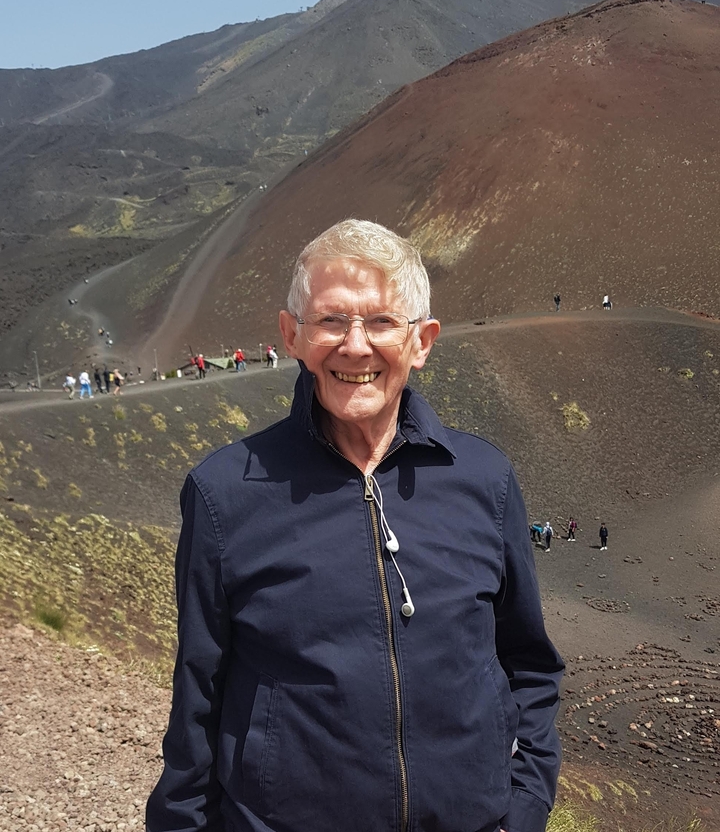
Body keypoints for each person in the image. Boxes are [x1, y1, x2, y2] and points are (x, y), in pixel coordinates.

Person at [147, 219, 564, 832]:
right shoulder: (225, 493)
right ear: (293, 335)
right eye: (331, 320)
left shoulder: (484, 478)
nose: (355, 345)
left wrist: (525, 806)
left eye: (382, 321)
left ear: (422, 342)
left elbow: (528, 663)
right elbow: (196, 701)